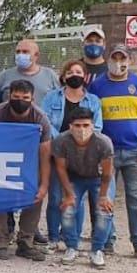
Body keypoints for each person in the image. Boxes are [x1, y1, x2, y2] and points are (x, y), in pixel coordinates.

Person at [89, 44, 137, 261]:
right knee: (106, 198)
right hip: (107, 152)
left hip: (136, 151)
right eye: (115, 58)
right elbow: (92, 119)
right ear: (108, 60)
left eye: (122, 58)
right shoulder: (97, 87)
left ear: (130, 60)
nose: (119, 63)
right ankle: (107, 242)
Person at [39, 60, 103, 251]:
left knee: (77, 198)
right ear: (64, 76)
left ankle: (72, 238)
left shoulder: (93, 101)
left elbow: (97, 126)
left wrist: (80, 142)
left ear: (85, 76)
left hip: (83, 156)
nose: (74, 75)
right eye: (70, 72)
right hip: (57, 152)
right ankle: (53, 237)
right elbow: (46, 123)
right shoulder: (51, 97)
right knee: (57, 196)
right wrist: (66, 141)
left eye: (78, 72)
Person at [0, 80, 52, 261]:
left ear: (32, 98)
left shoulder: (40, 119)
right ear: (9, 96)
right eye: (16, 97)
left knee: (35, 195)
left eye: (25, 98)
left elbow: (45, 154)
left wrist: (44, 184)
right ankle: (0, 241)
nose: (20, 100)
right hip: (0, 161)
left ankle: (25, 242)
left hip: (29, 163)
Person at [52, 107, 115, 269]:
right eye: (78, 125)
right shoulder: (61, 140)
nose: (82, 130)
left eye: (86, 125)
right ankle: (71, 247)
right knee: (67, 209)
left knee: (104, 210)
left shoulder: (103, 142)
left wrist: (103, 196)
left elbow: (108, 172)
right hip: (75, 177)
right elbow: (60, 168)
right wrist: (68, 194)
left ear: (92, 126)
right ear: (70, 126)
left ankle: (97, 249)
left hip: (99, 178)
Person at [0, 38, 60, 106]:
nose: (20, 55)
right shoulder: (5, 76)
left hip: (41, 119)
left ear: (36, 55)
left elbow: (61, 100)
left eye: (25, 52)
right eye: (18, 52)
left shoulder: (50, 75)